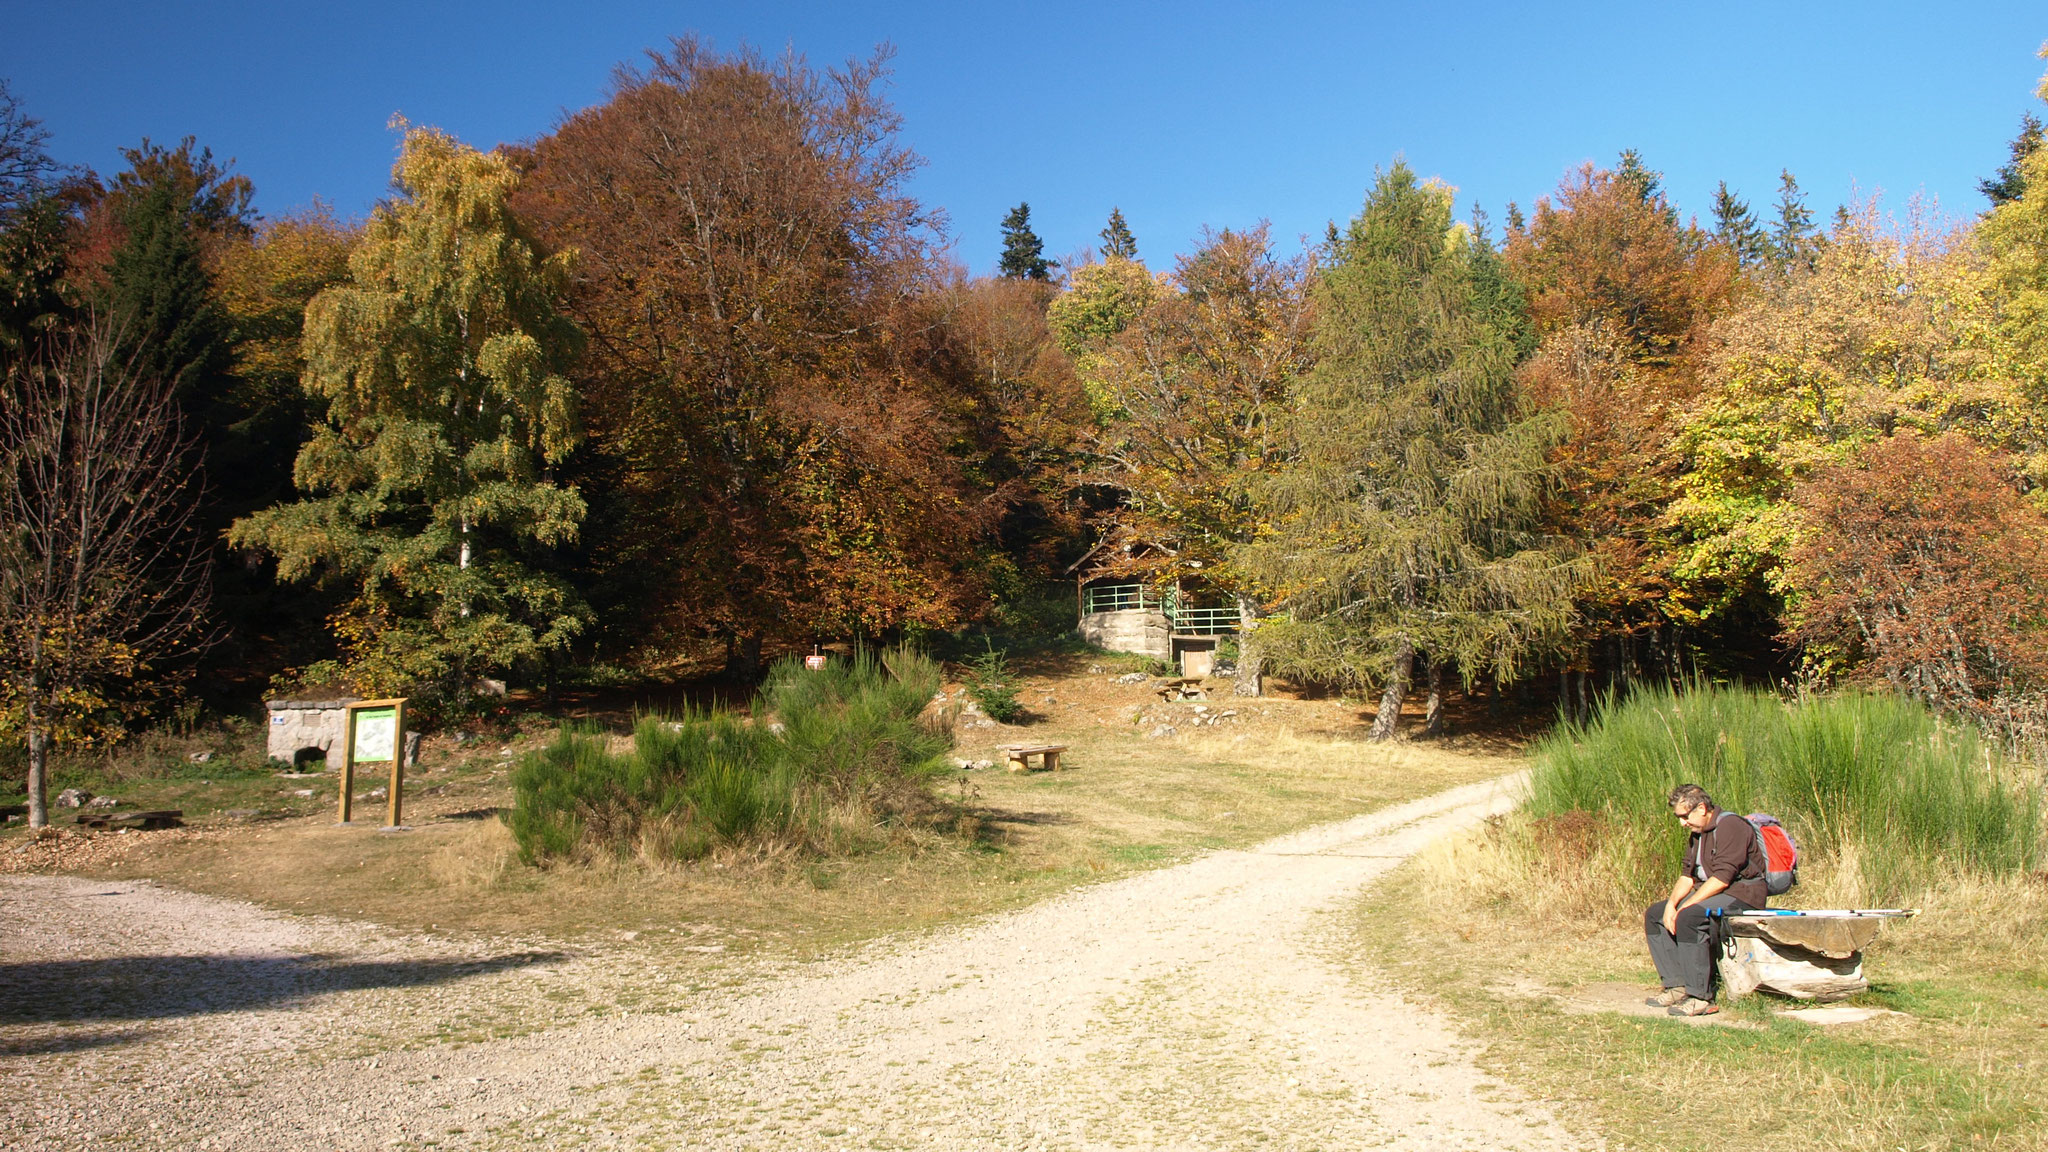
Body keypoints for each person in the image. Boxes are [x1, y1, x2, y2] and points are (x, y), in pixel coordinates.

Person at [1643, 783, 1767, 1016]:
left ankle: (1701, 997)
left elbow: (1722, 878)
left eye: (1684, 816)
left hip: (1743, 894)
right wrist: (1671, 905)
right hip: (1716, 893)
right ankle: (1676, 985)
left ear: (1701, 808)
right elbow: (1687, 876)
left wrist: (1686, 906)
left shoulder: (1731, 826)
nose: (1682, 823)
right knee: (1655, 915)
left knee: (1690, 916)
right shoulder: (1697, 834)